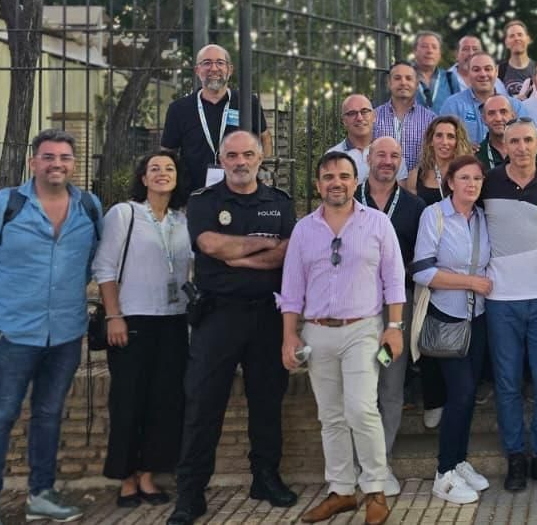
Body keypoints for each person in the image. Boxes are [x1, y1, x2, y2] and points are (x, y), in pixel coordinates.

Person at [0, 129, 102, 525]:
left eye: (64, 158)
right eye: (48, 157)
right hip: (13, 333)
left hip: (66, 333)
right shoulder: (3, 205)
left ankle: (41, 494)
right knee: (0, 415)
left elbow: (93, 261)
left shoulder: (89, 208)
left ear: (74, 164)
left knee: (49, 414)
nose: (57, 164)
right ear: (33, 162)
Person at [168, 131, 296, 525]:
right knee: (203, 404)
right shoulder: (204, 202)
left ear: (261, 159)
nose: (240, 162)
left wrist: (238, 256)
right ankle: (190, 494)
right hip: (217, 317)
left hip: (266, 316)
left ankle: (265, 477)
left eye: (248, 155)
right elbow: (209, 245)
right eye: (232, 155)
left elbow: (286, 252)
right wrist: (260, 246)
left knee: (267, 401)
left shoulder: (279, 203)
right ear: (221, 160)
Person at [278, 151, 405, 525]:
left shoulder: (378, 224)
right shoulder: (304, 229)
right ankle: (341, 491)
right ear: (318, 184)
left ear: (356, 181)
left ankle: (376, 491)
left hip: (363, 329)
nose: (337, 182)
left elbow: (394, 280)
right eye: (329, 177)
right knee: (330, 416)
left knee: (361, 409)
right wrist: (289, 335)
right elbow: (291, 289)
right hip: (317, 332)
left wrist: (394, 329)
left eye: (344, 176)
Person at [95, 150, 191, 509]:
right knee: (128, 400)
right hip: (132, 319)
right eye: (155, 169)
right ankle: (126, 476)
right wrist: (113, 315)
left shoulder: (183, 221)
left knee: (164, 402)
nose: (162, 173)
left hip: (174, 320)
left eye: (169, 168)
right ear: (144, 178)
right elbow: (104, 267)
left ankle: (150, 474)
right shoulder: (125, 214)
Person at [481, 119, 537, 492]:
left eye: (527, 140)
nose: (520, 147)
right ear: (504, 145)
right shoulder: (488, 182)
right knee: (507, 383)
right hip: (501, 300)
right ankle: (516, 457)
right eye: (513, 141)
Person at [411, 155, 496, 504]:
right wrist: (470, 282)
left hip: (477, 318)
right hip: (447, 315)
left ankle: (459, 461)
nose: (472, 184)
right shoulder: (434, 216)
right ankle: (443, 472)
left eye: (477, 178)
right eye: (464, 178)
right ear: (450, 182)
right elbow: (421, 270)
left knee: (469, 393)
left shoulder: (480, 218)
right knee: (459, 394)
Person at [361, 138, 431, 462]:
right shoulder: (350, 199)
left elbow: (423, 258)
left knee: (389, 385)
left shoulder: (414, 207)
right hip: (356, 312)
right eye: (381, 155)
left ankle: (381, 460)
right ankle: (358, 460)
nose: (387, 161)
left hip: (394, 313)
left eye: (394, 156)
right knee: (360, 389)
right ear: (367, 157)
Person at [161, 43, 268, 191]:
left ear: (229, 70)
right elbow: (167, 152)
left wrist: (261, 170)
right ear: (197, 70)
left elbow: (264, 138)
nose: (214, 68)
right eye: (207, 63)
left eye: (220, 63)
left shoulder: (248, 103)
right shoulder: (178, 109)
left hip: (241, 192)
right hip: (192, 194)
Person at [403, 116, 475, 209]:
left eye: (450, 136)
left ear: (458, 142)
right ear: (431, 141)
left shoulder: (469, 175)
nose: (444, 142)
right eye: (439, 135)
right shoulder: (414, 177)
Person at [375, 61, 435, 172]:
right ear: (389, 83)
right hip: (381, 185)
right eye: (397, 78)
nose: (403, 83)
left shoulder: (431, 120)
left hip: (417, 186)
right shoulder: (374, 117)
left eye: (408, 78)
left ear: (417, 84)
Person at [439, 52, 505, 144]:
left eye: (488, 69)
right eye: (476, 70)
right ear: (468, 73)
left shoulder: (515, 106)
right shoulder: (452, 106)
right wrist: (463, 149)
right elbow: (442, 141)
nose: (483, 74)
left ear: (496, 71)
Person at [477, 94, 537, 171]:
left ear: (513, 116)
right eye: (491, 113)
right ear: (484, 119)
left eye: (503, 112)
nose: (498, 118)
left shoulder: (533, 148)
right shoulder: (478, 154)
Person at [327, 93, 377, 182]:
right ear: (344, 121)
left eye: (364, 111)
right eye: (352, 113)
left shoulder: (390, 153)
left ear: (374, 116)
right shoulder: (332, 156)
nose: (359, 118)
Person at [412, 32, 457, 111]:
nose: (429, 51)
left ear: (439, 54)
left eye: (434, 47)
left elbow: (458, 110)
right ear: (415, 51)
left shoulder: (449, 78)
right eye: (424, 46)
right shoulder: (404, 77)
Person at [498, 20, 537, 95]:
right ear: (506, 42)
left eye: (520, 34)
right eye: (512, 36)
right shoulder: (498, 72)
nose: (516, 39)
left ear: (528, 39)